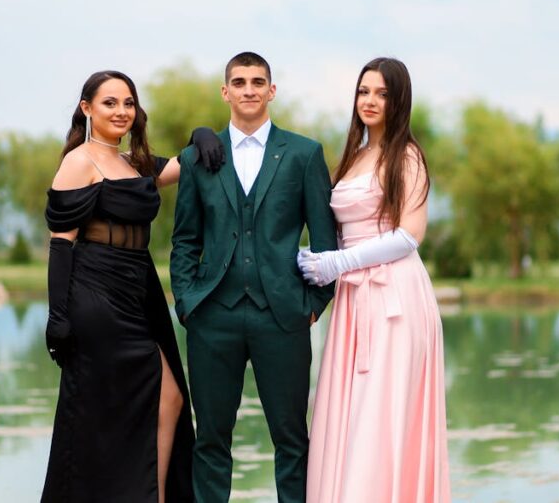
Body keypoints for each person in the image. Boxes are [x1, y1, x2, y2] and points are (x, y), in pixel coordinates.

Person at [41, 70, 224, 502]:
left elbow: (183, 166)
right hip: (95, 292)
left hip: (138, 290)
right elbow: (61, 245)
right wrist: (58, 317)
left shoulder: (134, 162)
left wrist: (201, 135)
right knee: (109, 404)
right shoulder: (79, 161)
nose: (122, 111)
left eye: (128, 103)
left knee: (170, 399)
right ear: (87, 108)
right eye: (110, 103)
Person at [169, 52, 338, 503]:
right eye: (239, 82)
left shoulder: (304, 154)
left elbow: (325, 238)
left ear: (272, 90)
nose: (249, 90)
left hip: (283, 317)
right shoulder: (198, 158)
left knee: (291, 439)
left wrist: (314, 304)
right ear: (225, 92)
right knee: (210, 441)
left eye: (257, 82)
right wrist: (187, 303)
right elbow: (184, 239)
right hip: (212, 317)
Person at [297, 57, 451, 502]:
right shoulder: (356, 155)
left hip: (393, 299)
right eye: (364, 91)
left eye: (382, 93)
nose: (370, 101)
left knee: (379, 411)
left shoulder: (408, 156)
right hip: (352, 300)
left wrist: (337, 264)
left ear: (399, 100)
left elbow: (408, 236)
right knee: (349, 412)